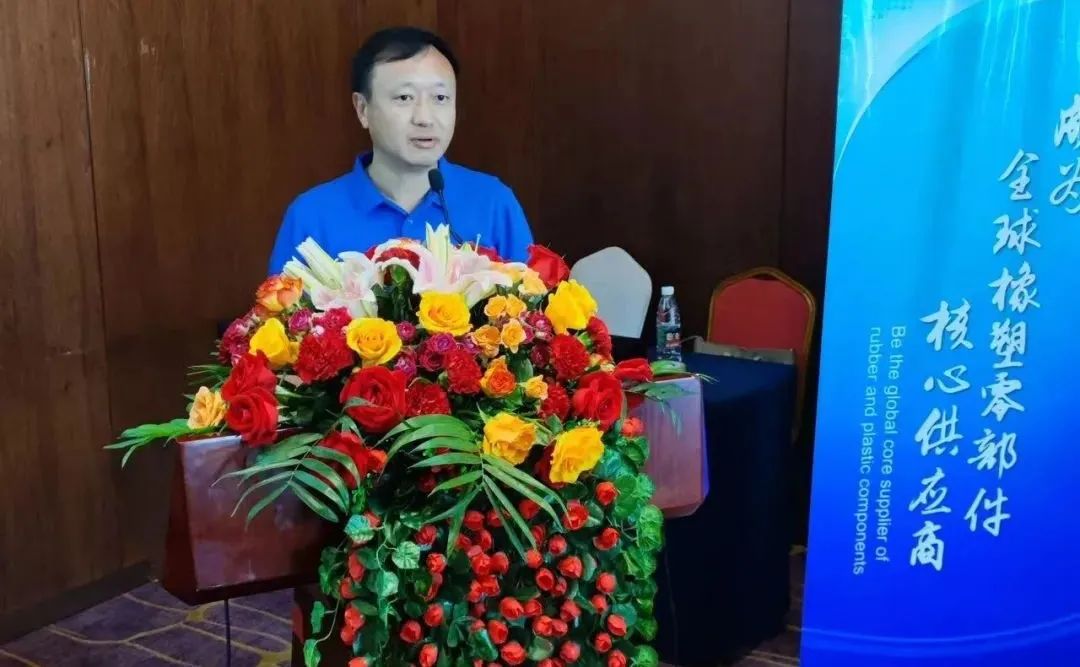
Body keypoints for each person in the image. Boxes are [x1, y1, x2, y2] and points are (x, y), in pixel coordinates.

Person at [268, 27, 534, 274]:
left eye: (440, 98)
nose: (425, 118)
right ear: (362, 109)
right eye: (404, 98)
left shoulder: (493, 202)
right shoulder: (311, 216)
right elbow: (281, 308)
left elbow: (534, 304)